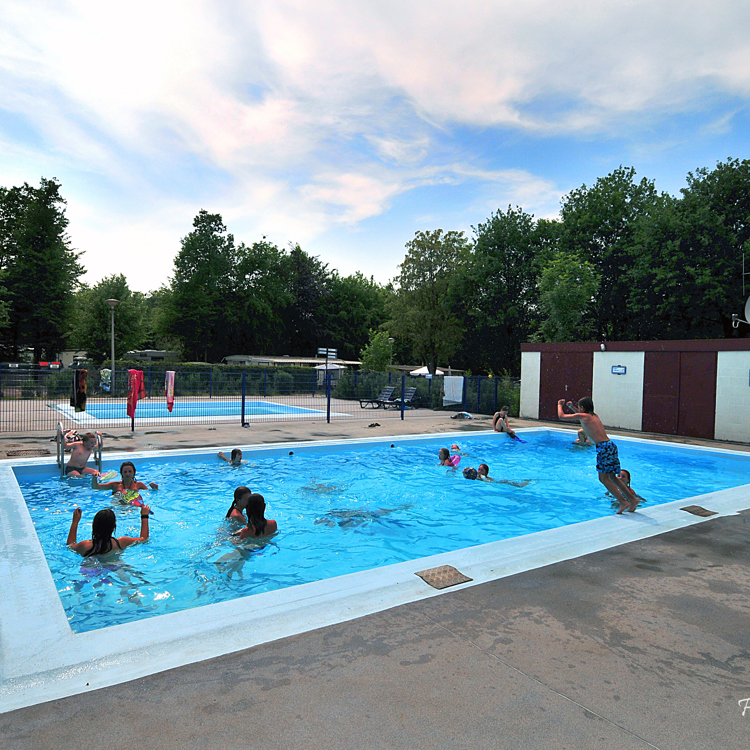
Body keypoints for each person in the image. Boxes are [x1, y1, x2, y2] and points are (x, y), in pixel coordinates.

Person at [557, 397, 642, 513]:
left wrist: (559, 405)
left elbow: (561, 416)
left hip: (603, 448)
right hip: (610, 445)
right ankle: (632, 500)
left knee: (603, 479)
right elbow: (581, 415)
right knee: (612, 477)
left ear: (582, 407)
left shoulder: (584, 416)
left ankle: (623, 501)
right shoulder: (593, 416)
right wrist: (572, 407)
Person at [66, 505, 150, 556]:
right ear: (113, 527)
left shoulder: (85, 545)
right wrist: (144, 515)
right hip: (115, 566)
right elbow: (144, 538)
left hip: (91, 567)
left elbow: (70, 545)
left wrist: (75, 522)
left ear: (94, 526)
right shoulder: (121, 542)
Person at [91, 461, 158, 494]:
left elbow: (148, 493)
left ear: (134, 472)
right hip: (118, 506)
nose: (127, 474)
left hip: (132, 507)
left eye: (129, 471)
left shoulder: (139, 485)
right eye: (125, 472)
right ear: (121, 473)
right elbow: (95, 487)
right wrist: (94, 477)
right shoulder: (115, 485)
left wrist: (155, 489)